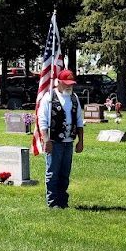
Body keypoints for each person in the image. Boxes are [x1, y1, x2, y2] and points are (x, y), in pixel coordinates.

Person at [38, 68, 85, 208]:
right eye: (66, 83)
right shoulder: (49, 98)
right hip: (54, 141)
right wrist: (46, 140)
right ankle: (52, 203)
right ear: (59, 82)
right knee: (52, 172)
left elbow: (79, 121)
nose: (69, 86)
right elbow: (42, 120)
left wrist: (80, 141)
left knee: (65, 173)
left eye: (71, 83)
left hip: (69, 141)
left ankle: (63, 201)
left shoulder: (74, 98)